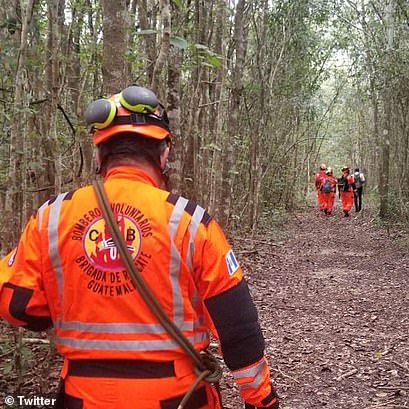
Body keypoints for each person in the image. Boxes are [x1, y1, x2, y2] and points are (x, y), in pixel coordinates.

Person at [0, 85, 279, 409]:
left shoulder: (51, 218)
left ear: (99, 155)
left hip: (82, 397)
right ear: (164, 154)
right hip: (178, 397)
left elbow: (16, 304)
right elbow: (238, 327)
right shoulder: (189, 222)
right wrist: (262, 400)